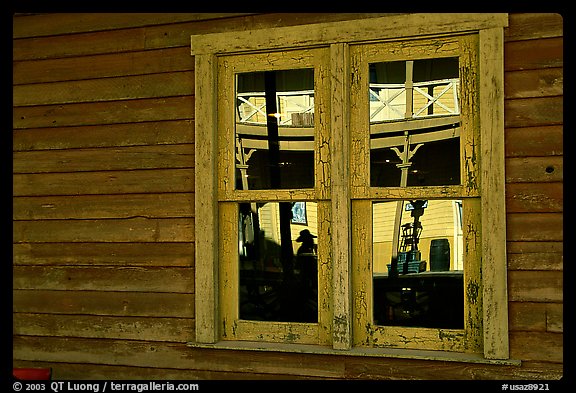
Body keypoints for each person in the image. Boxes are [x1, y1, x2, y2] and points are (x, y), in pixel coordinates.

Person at [295, 229, 318, 322]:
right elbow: (302, 265)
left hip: (310, 275)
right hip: (306, 275)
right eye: (309, 239)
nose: (312, 241)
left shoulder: (310, 248)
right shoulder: (304, 250)